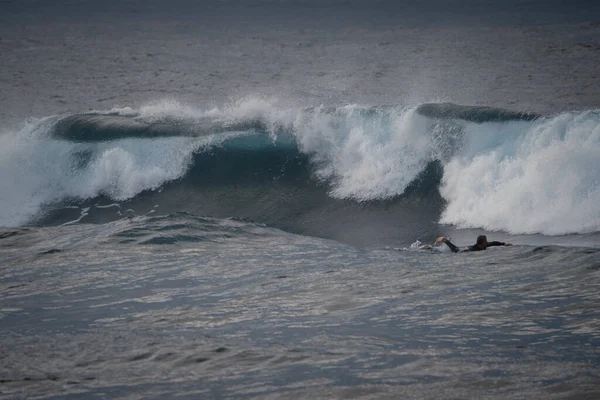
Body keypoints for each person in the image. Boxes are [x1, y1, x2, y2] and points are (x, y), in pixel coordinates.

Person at [436, 235, 512, 253]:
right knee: (456, 251)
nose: (487, 242)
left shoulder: (484, 245)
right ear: (481, 243)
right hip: (466, 249)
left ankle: (445, 241)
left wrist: (504, 244)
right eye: (485, 241)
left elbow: (494, 243)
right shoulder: (474, 249)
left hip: (468, 248)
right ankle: (445, 240)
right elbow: (461, 253)